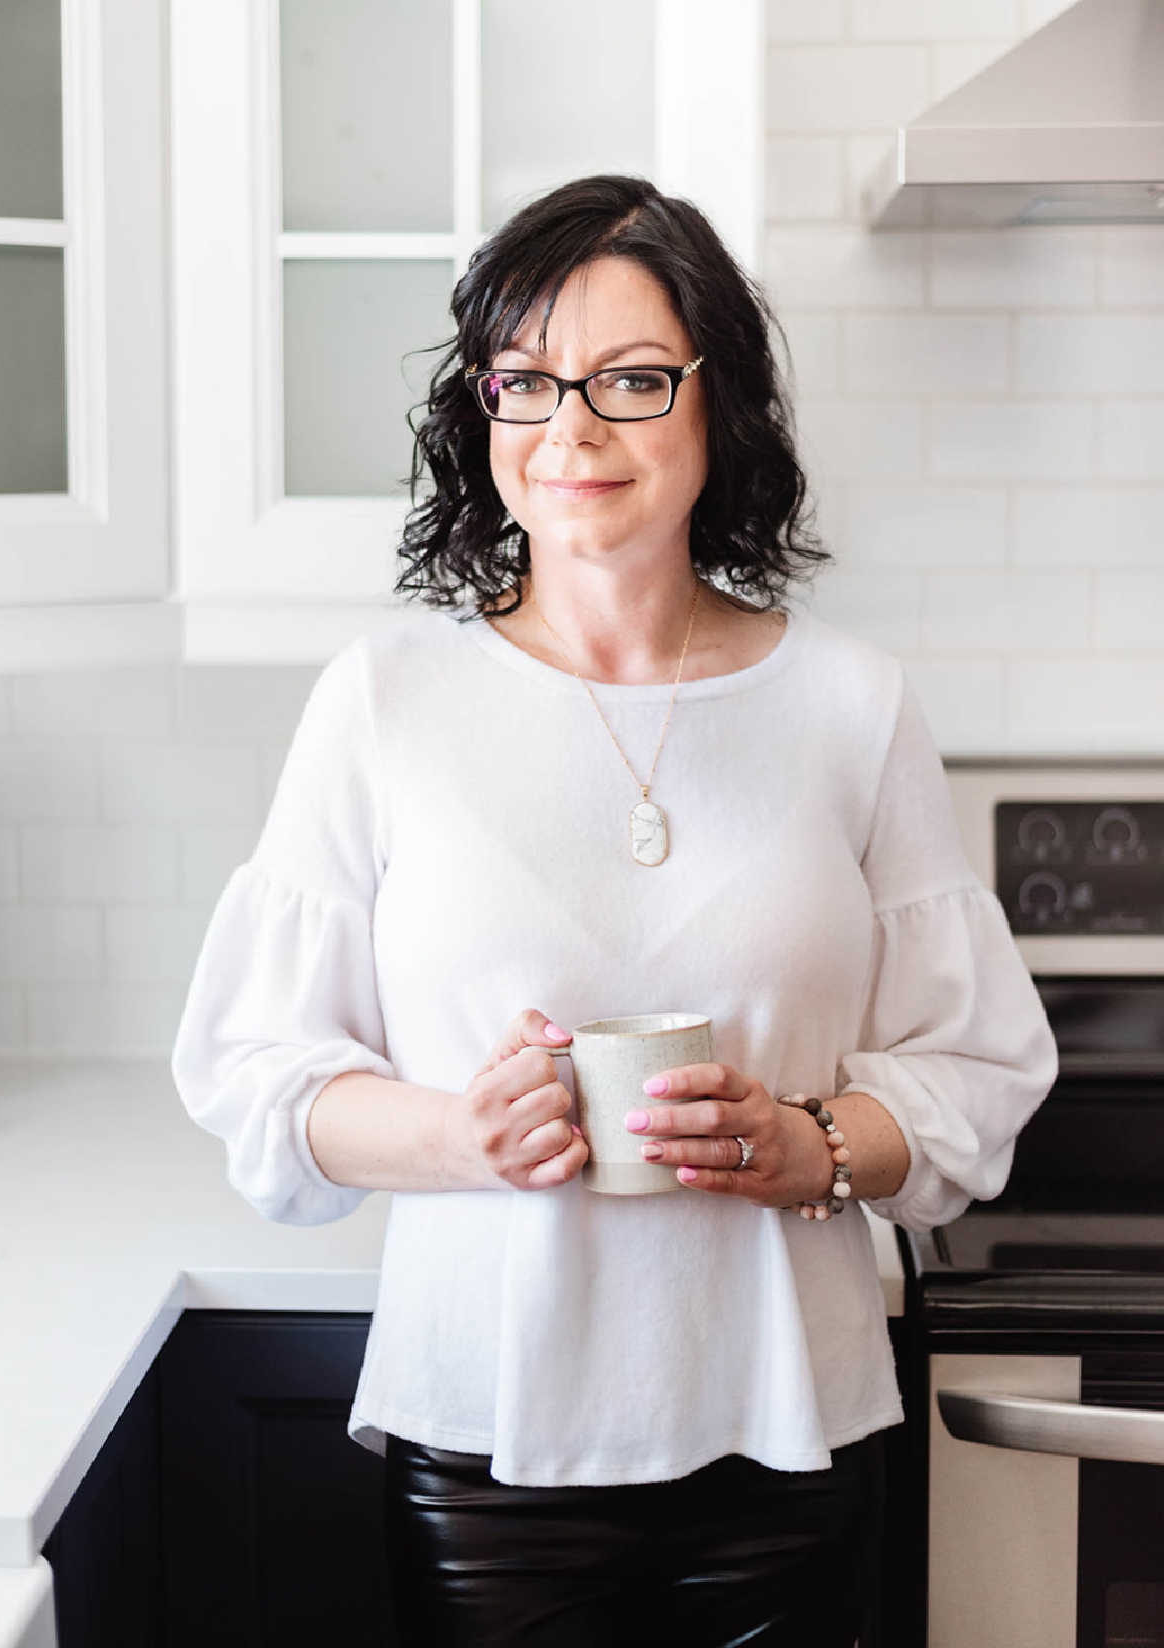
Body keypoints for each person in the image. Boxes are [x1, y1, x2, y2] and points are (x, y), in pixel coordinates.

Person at [171, 172, 1058, 1646]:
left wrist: (809, 1144)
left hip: (790, 1432)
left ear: (722, 405)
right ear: (482, 411)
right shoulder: (385, 704)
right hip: (491, 1436)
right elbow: (258, 1079)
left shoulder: (852, 705)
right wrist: (459, 1136)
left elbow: (977, 1070)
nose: (571, 429)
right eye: (526, 381)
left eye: (633, 380)